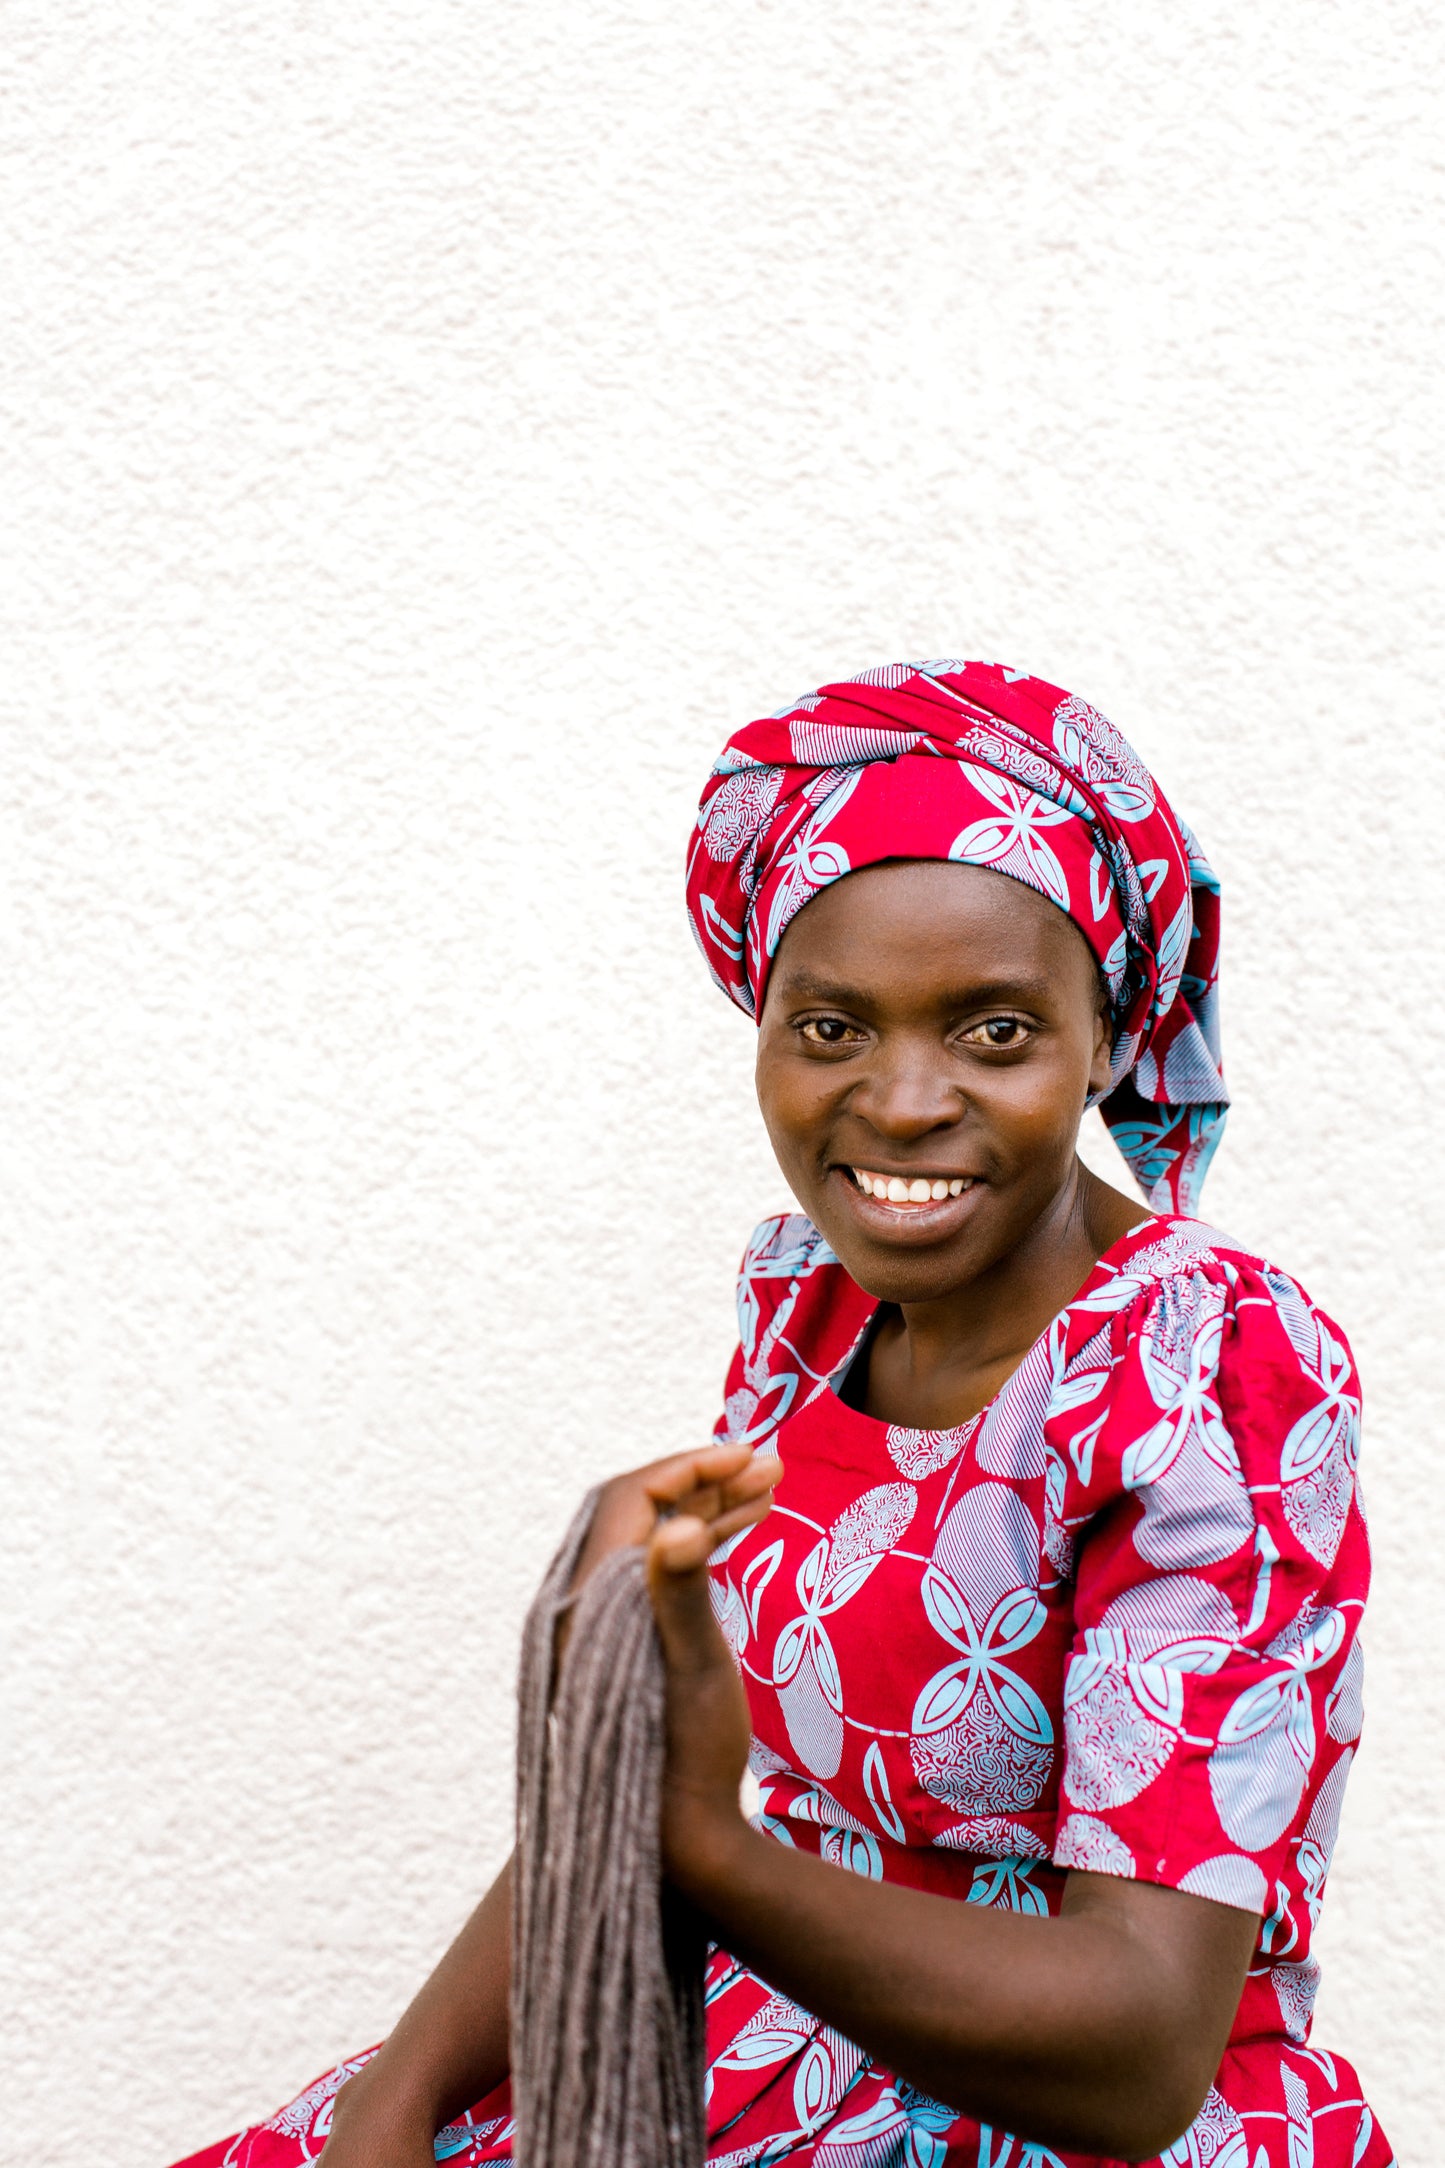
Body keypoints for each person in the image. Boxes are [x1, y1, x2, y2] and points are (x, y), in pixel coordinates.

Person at [172, 661, 1388, 2168]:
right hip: (768, 2046)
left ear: (1104, 1041)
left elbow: (1135, 2052)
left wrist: (702, 1848)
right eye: (829, 1029)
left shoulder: (1205, 1370)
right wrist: (397, 2095)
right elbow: (692, 1803)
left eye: (993, 1032)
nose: (897, 1101)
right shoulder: (811, 1304)